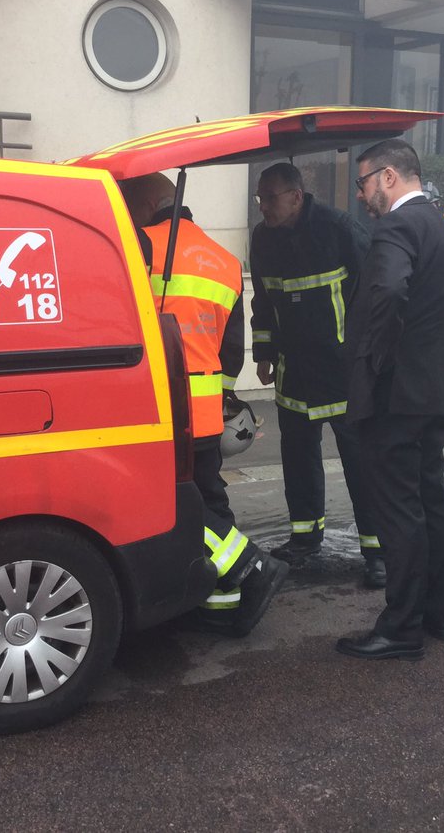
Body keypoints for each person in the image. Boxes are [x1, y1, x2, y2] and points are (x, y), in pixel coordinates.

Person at [336, 139, 444, 660]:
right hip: (438, 389)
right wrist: (437, 345)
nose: (361, 196)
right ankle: (437, 617)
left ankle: (401, 629)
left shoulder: (397, 227)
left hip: (397, 394)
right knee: (431, 500)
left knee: (400, 509)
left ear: (388, 176)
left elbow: (388, 291)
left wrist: (379, 358)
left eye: (363, 183)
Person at [121, 173, 288, 637]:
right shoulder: (225, 260)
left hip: (161, 406)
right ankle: (219, 602)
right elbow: (231, 351)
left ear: (147, 205)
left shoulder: (141, 246)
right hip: (207, 407)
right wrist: (223, 396)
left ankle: (252, 565)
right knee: (210, 498)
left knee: (174, 505)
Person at [249, 162, 385, 588]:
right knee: (299, 459)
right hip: (293, 372)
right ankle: (305, 538)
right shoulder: (262, 238)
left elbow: (375, 291)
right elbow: (263, 300)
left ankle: (378, 550)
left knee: (361, 463)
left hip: (343, 372)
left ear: (296, 196)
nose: (263, 207)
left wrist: (372, 356)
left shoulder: (338, 229)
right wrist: (264, 353)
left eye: (271, 198)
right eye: (260, 198)